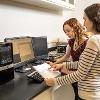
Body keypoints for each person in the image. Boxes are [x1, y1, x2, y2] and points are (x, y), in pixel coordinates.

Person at [45, 3, 100, 100]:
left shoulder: (93, 40)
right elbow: (83, 63)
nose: (83, 23)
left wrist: (55, 81)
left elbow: (80, 74)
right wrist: (63, 65)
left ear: (94, 19)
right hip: (94, 92)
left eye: (85, 19)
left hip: (88, 93)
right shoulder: (97, 39)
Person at [47, 18, 88, 100]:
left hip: (82, 73)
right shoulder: (71, 41)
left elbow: (84, 68)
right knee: (76, 93)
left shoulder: (88, 43)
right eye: (65, 32)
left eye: (68, 30)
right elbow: (66, 56)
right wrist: (55, 63)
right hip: (75, 70)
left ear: (76, 27)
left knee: (80, 95)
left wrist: (66, 71)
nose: (67, 33)